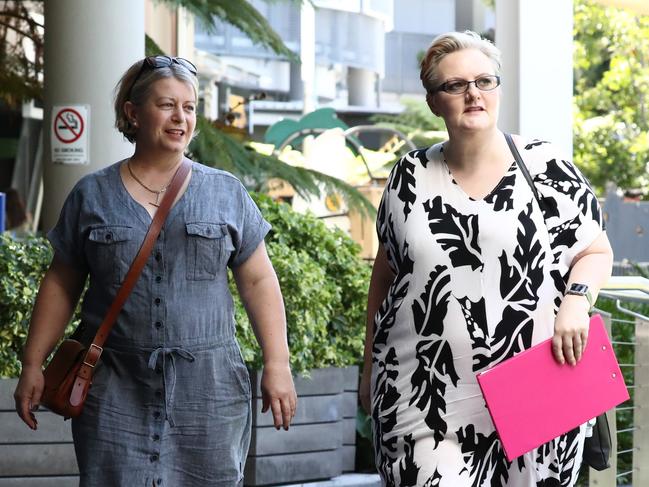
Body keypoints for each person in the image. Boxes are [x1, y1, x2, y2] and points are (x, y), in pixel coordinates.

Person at [14, 55, 297, 486]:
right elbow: (61, 282)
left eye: (189, 107)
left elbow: (258, 280)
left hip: (210, 390)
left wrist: (278, 363)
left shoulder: (226, 192)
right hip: (113, 389)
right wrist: (33, 363)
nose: (180, 117)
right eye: (166, 105)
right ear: (133, 112)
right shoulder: (92, 194)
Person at [359, 31, 613, 486]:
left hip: (540, 387)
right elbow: (386, 277)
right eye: (455, 85)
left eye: (484, 81)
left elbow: (594, 249)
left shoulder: (546, 166)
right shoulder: (408, 177)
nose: (473, 93)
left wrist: (576, 301)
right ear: (435, 101)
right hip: (426, 395)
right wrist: (368, 368)